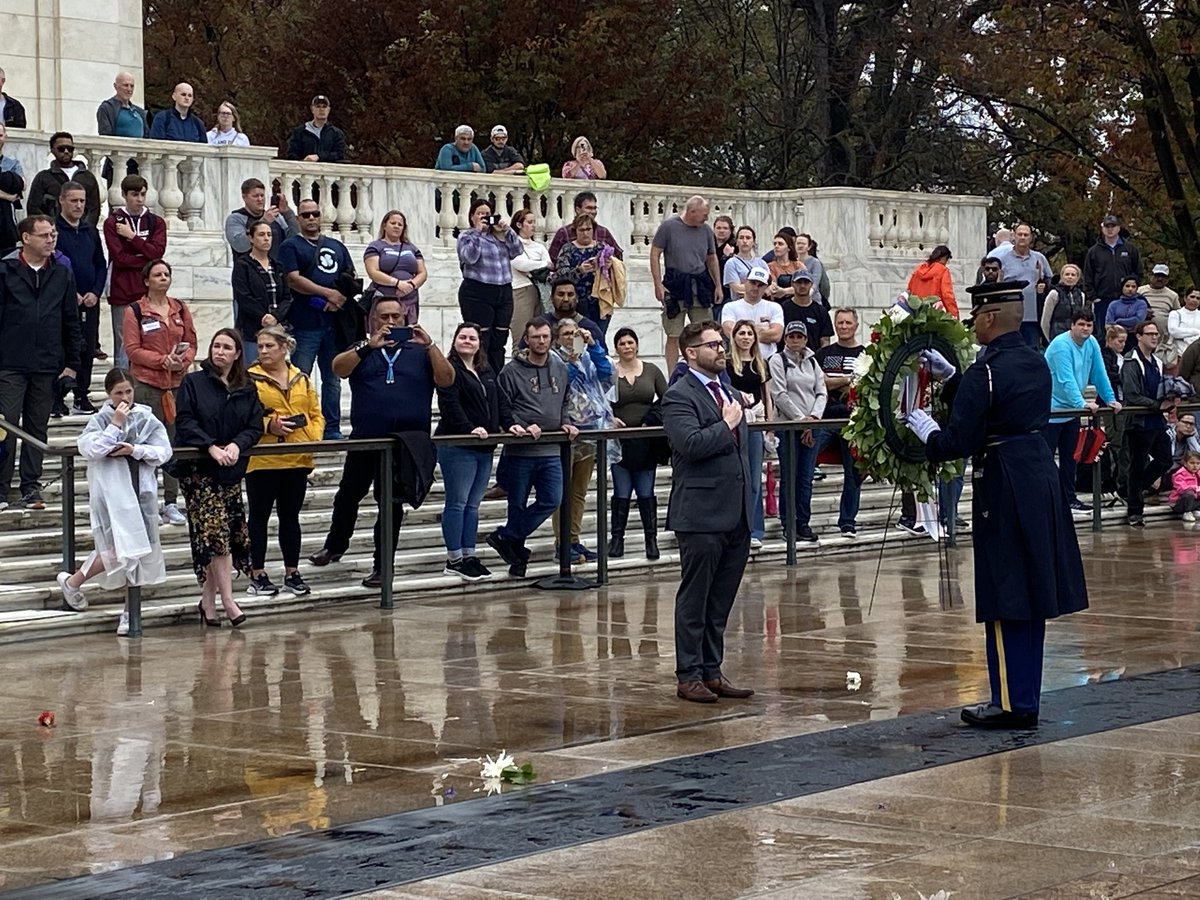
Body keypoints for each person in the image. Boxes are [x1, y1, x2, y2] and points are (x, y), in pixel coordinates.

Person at [904, 279, 1089, 728]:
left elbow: (961, 437)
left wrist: (926, 431)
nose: (975, 327)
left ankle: (1009, 702)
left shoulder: (987, 369)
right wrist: (953, 378)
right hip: (1037, 472)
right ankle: (1024, 695)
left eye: (976, 319)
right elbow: (998, 402)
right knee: (1032, 591)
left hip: (1003, 480)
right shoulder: (1034, 360)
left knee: (1008, 593)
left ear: (988, 318)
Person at [308, 304, 453, 587]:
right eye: (383, 317)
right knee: (348, 494)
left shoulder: (421, 351)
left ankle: (382, 566)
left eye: (395, 317)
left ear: (405, 318)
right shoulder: (364, 347)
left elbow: (447, 380)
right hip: (366, 439)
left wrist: (431, 345)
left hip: (404, 444)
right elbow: (337, 368)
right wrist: (367, 346)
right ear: (372, 320)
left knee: (390, 505)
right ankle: (335, 545)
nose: (390, 322)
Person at [663, 321, 755, 703]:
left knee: (721, 598)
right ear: (690, 352)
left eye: (722, 343)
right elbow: (690, 445)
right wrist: (727, 423)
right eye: (713, 345)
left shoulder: (729, 391)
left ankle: (712, 670)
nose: (721, 349)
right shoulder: (678, 396)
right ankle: (688, 674)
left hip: (735, 511)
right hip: (700, 511)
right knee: (695, 597)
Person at [55, 368, 172, 635]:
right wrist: (115, 424)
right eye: (118, 392)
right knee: (118, 547)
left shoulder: (144, 415)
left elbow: (163, 450)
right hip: (112, 493)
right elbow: (92, 449)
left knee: (138, 549)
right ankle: (82, 586)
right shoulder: (100, 419)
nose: (124, 397)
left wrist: (136, 450)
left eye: (128, 391)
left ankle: (125, 609)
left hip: (141, 491)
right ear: (109, 394)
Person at [174, 328, 265, 627]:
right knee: (216, 537)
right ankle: (229, 601)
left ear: (237, 353)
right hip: (200, 472)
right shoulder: (193, 382)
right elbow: (185, 421)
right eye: (216, 346)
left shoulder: (246, 386)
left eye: (227, 347)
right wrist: (209, 446)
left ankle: (208, 602)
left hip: (230, 470)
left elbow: (255, 425)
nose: (220, 352)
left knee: (227, 534)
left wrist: (237, 445)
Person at [0, 215, 83, 510]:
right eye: (44, 235)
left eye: (53, 234)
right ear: (26, 238)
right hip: (9, 362)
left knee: (38, 428)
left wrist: (72, 363)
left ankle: (30, 487)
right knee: (6, 425)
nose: (51, 239)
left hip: (46, 364)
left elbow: (70, 321)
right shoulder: (6, 270)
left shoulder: (62, 273)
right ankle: (0, 486)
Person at [486, 318, 578, 578]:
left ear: (552, 338)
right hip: (520, 451)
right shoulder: (511, 371)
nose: (541, 341)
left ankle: (506, 536)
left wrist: (567, 422)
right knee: (517, 504)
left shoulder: (560, 366)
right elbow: (504, 408)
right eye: (536, 337)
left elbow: (565, 398)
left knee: (552, 498)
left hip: (551, 449)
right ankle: (517, 559)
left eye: (545, 336)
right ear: (527, 339)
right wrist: (520, 425)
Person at [244, 326, 324, 597]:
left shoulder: (300, 378)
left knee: (290, 517)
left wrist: (310, 438)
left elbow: (315, 413)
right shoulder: (249, 378)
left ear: (284, 348)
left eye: (269, 346)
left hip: (297, 457)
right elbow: (242, 416)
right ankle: (257, 572)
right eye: (261, 346)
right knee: (259, 518)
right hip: (263, 458)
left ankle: (292, 571)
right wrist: (269, 425)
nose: (263, 351)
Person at [122, 258, 198, 526]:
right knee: (146, 443)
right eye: (157, 274)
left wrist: (183, 360)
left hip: (177, 384)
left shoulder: (180, 308)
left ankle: (171, 502)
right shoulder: (135, 311)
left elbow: (191, 342)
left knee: (174, 442)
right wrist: (161, 360)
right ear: (147, 281)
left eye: (166, 274)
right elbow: (132, 349)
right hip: (146, 384)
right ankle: (146, 501)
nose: (163, 278)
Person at [279, 199, 357, 440]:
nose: (311, 218)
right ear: (299, 219)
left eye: (314, 214)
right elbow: (293, 280)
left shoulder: (336, 245)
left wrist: (340, 297)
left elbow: (350, 275)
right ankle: (302, 426)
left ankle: (331, 427)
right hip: (304, 323)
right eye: (305, 215)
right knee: (300, 376)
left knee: (332, 379)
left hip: (334, 324)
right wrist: (326, 294)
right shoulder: (290, 246)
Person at [435, 323, 501, 581]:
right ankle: (454, 558)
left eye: (472, 338)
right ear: (454, 341)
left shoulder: (485, 370)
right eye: (462, 337)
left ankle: (469, 554)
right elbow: (449, 404)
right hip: (457, 444)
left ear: (478, 344)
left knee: (473, 505)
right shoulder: (450, 369)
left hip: (484, 445)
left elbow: (498, 401)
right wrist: (469, 428)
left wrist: (506, 423)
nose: (467, 341)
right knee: (458, 502)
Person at [1043, 310, 1120, 516]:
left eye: (1089, 325)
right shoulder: (1061, 346)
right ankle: (1046, 500)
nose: (1085, 329)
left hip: (1072, 413)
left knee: (1070, 458)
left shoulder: (1092, 343)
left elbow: (1099, 372)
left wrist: (1110, 398)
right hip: (1052, 411)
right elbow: (1064, 379)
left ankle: (1069, 499)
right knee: (1046, 458)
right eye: (1081, 325)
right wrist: (1081, 403)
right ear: (1072, 325)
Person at [549, 317, 612, 562]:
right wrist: (572, 360)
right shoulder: (555, 358)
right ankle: (562, 543)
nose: (570, 337)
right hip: (567, 430)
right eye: (565, 334)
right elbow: (563, 382)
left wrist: (593, 344)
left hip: (590, 429)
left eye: (574, 333)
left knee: (579, 492)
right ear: (557, 338)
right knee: (562, 492)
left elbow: (606, 374)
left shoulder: (587, 355)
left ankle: (574, 539)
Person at [769, 321, 827, 545]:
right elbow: (780, 394)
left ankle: (803, 521)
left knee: (805, 478)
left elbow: (821, 391)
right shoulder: (778, 360)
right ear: (785, 339)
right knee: (789, 476)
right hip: (789, 427)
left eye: (799, 336)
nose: (795, 340)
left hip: (812, 426)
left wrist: (813, 418)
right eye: (791, 336)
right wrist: (801, 421)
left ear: (805, 339)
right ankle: (788, 522)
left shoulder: (813, 362)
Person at [103, 174, 168, 368]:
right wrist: (145, 257)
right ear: (124, 195)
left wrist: (132, 237)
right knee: (123, 344)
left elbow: (157, 254)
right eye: (134, 194)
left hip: (149, 294)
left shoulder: (156, 222)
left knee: (150, 339)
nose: (139, 199)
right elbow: (120, 259)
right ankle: (121, 387)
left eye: (142, 194)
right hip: (122, 291)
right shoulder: (113, 222)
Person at [813, 308, 867, 537]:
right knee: (805, 466)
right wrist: (846, 380)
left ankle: (847, 522)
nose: (843, 327)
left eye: (848, 323)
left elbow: (865, 386)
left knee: (853, 474)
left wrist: (832, 382)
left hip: (853, 421)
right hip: (824, 418)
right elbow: (819, 383)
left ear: (856, 325)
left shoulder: (866, 353)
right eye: (840, 323)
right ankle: (800, 521)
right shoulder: (823, 354)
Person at [54, 181, 107, 413]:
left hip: (89, 301)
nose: (78, 205)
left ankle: (81, 395)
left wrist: (95, 292)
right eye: (74, 200)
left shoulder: (90, 231)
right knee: (62, 349)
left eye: (82, 201)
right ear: (62, 200)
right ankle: (56, 397)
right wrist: (70, 293)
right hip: (63, 302)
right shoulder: (53, 230)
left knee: (86, 349)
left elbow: (100, 264)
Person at [651, 195, 721, 371]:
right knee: (673, 334)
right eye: (704, 214)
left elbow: (712, 258)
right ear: (692, 211)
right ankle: (673, 375)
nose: (707, 218)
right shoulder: (669, 227)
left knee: (706, 332)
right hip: (676, 285)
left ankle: (705, 370)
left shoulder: (706, 231)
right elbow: (654, 253)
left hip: (700, 285)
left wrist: (718, 285)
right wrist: (658, 284)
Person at [456, 198, 522, 373]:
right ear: (472, 217)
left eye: (487, 214)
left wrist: (507, 230)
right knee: (482, 337)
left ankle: (497, 375)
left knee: (500, 337)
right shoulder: (467, 236)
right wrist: (478, 233)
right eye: (480, 214)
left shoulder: (498, 237)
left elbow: (517, 251)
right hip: (478, 290)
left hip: (503, 291)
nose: (484, 217)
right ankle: (482, 375)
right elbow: (469, 257)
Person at [1120, 321, 1175, 527]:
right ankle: (1135, 511)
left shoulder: (1157, 361)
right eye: (1150, 334)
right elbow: (1132, 394)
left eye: (1156, 334)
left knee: (1165, 460)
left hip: (1156, 420)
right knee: (1137, 464)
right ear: (1139, 336)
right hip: (1139, 421)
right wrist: (1157, 405)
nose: (1154, 337)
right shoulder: (1131, 361)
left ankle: (1129, 491)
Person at [725, 320, 773, 549]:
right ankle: (737, 527)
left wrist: (770, 425)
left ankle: (755, 529)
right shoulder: (726, 364)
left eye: (749, 333)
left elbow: (767, 394)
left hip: (756, 423)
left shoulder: (760, 364)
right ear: (734, 337)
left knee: (754, 477)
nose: (745, 337)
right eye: (741, 333)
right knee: (736, 477)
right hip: (734, 422)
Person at [232, 222, 292, 364]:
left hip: (277, 329)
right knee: (253, 372)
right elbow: (243, 297)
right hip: (252, 331)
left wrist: (275, 317)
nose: (266, 238)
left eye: (269, 235)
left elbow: (287, 297)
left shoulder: (277, 266)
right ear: (251, 238)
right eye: (261, 234)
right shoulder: (243, 265)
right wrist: (263, 316)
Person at [987, 223, 1051, 347]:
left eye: (1026, 235)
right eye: (1019, 234)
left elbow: (1050, 281)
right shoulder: (1002, 259)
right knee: (1010, 349)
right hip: (1010, 316)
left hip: (1033, 315)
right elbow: (995, 284)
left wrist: (1044, 286)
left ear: (1031, 238)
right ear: (1013, 236)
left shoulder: (1040, 259)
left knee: (1032, 350)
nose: (1022, 237)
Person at [364, 210, 427, 326]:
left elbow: (422, 272)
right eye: (393, 223)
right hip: (384, 298)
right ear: (384, 225)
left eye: (400, 224)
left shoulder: (412, 248)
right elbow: (373, 272)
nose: (396, 227)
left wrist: (411, 285)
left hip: (409, 299)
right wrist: (397, 283)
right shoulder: (375, 246)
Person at [28, 133, 103, 225]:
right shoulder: (43, 177)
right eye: (61, 149)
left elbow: (94, 208)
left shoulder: (87, 176)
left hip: (82, 231)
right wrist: (50, 227)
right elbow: (33, 208)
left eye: (70, 149)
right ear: (52, 150)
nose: (66, 151)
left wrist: (86, 228)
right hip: (53, 232)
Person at [224, 177, 298, 262]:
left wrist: (287, 212)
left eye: (262, 195)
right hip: (247, 271)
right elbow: (240, 245)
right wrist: (264, 222)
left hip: (275, 270)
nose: (260, 199)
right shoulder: (235, 219)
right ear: (244, 197)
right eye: (255, 196)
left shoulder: (275, 217)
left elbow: (294, 238)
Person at [1084, 213, 1141, 324]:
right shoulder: (1093, 252)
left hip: (1126, 300)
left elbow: (1138, 271)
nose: (1110, 229)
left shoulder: (1130, 249)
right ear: (1103, 229)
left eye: (1113, 226)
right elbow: (1088, 275)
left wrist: (1132, 290)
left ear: (1118, 228)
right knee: (1103, 333)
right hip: (1102, 300)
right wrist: (1093, 297)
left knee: (1125, 333)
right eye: (1107, 227)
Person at [555, 213, 607, 333]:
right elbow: (561, 275)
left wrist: (605, 265)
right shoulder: (568, 248)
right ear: (576, 231)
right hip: (576, 302)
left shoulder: (601, 248)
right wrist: (579, 270)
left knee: (599, 335)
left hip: (600, 300)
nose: (585, 233)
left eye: (588, 229)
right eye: (581, 230)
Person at [720, 263, 783, 359]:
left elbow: (776, 335)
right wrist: (762, 330)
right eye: (753, 283)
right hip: (739, 359)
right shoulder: (730, 307)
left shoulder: (775, 307)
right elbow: (729, 332)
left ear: (766, 287)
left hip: (767, 359)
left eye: (760, 285)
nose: (755, 287)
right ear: (746, 282)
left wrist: (742, 332)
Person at [509, 209, 551, 352]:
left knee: (540, 332)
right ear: (519, 224)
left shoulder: (539, 246)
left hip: (540, 290)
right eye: (529, 222)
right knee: (520, 334)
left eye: (534, 222)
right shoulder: (512, 244)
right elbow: (519, 263)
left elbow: (549, 265)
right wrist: (540, 265)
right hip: (520, 290)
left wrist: (537, 266)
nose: (533, 226)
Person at [548, 191, 623, 262]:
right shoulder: (564, 233)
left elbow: (618, 255)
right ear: (578, 210)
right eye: (589, 208)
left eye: (595, 208)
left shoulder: (603, 232)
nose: (593, 211)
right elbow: (552, 260)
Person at [778, 271, 833, 351]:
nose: (802, 285)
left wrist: (820, 358)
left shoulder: (821, 311)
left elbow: (825, 340)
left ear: (811, 284)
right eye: (799, 282)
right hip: (786, 359)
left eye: (806, 282)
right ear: (792, 284)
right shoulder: (782, 309)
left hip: (813, 359)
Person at [286, 95, 346, 163]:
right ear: (312, 109)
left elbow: (339, 154)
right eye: (318, 106)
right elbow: (292, 154)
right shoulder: (299, 132)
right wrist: (303, 161)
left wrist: (319, 157)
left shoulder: (337, 134)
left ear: (329, 109)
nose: (321, 109)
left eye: (324, 106)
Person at [1040, 263, 1088, 342]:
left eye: (1073, 275)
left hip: (1075, 338)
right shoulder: (1054, 294)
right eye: (1067, 274)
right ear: (1062, 277)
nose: (1070, 277)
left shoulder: (1081, 295)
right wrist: (1051, 340)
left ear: (1077, 278)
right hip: (1057, 337)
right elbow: (1045, 321)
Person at [906, 245, 959, 316]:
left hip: (917, 312)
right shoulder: (943, 270)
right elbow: (947, 295)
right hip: (934, 313)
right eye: (947, 259)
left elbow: (910, 289)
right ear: (944, 258)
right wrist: (954, 313)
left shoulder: (919, 269)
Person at [96, 71, 149, 138]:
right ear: (115, 86)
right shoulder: (107, 108)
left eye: (132, 86)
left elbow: (147, 136)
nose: (129, 89)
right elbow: (106, 136)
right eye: (125, 85)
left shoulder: (140, 112)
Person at [1105, 277, 1150, 353]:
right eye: (1127, 286)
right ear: (1122, 287)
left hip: (1134, 337)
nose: (1130, 289)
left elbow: (1138, 320)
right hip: (1116, 337)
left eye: (1133, 287)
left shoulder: (1141, 304)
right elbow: (1108, 323)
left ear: (1137, 289)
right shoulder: (1114, 304)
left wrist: (1119, 321)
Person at [1139, 263, 1179, 342]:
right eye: (1157, 276)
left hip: (1163, 337)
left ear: (1167, 279)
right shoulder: (1140, 291)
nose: (1160, 279)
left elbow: (1178, 315)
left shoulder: (1172, 295)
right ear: (1151, 276)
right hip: (1141, 332)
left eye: (1163, 276)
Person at [722, 225, 763, 300]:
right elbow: (738, 289)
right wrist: (762, 287)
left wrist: (747, 286)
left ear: (753, 242)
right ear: (737, 242)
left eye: (748, 238)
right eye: (741, 238)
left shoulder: (762, 263)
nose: (744, 241)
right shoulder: (731, 263)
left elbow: (771, 286)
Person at [765, 231, 803, 305]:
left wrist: (784, 291)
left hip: (797, 304)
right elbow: (773, 287)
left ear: (789, 248)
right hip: (777, 303)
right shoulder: (770, 266)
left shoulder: (798, 265)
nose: (776, 246)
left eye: (780, 244)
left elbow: (805, 286)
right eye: (775, 244)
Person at [795, 233, 829, 309]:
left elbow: (815, 283)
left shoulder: (815, 262)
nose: (800, 246)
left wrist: (805, 295)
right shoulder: (793, 262)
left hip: (813, 301)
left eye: (803, 243)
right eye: (798, 243)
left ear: (809, 247)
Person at [1166, 287, 1200, 361]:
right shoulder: (1175, 314)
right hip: (1178, 355)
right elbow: (1174, 331)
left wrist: (1184, 335)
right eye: (1192, 297)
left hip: (1197, 357)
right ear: (1185, 298)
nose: (1195, 300)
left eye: (1198, 298)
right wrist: (1196, 332)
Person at [1170, 451, 1200, 521]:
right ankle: (1187, 513)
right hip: (1179, 504)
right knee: (1189, 493)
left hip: (1193, 501)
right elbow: (1182, 489)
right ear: (1185, 464)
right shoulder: (1179, 474)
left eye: (1198, 463)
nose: (1195, 466)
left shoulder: (1198, 473)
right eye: (1192, 463)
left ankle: (1196, 510)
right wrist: (1196, 489)